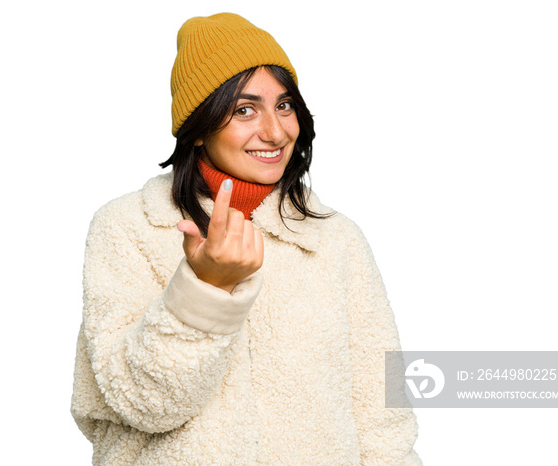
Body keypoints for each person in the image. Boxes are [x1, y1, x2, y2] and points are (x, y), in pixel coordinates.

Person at [71, 12, 422, 465]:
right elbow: (139, 402)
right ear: (198, 129)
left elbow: (383, 418)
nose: (276, 132)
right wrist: (204, 290)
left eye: (284, 105)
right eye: (244, 109)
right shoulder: (128, 227)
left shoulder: (335, 239)